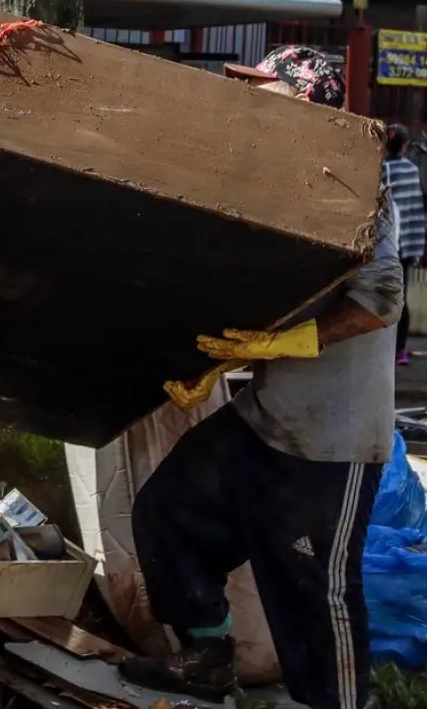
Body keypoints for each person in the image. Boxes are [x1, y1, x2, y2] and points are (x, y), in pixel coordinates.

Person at [119, 47, 403, 709]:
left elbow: (379, 299)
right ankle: (209, 658)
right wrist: (222, 360)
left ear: (304, 101)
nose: (250, 99)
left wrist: (286, 342)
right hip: (265, 417)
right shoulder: (271, 181)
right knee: (169, 513)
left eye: (264, 88)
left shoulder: (359, 183)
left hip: (331, 438)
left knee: (314, 591)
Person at [382, 123, 426, 364]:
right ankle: (400, 351)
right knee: (402, 299)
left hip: (385, 246)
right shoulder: (411, 170)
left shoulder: (379, 170)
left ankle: (384, 350)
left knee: (381, 298)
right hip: (406, 248)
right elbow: (415, 211)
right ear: (406, 146)